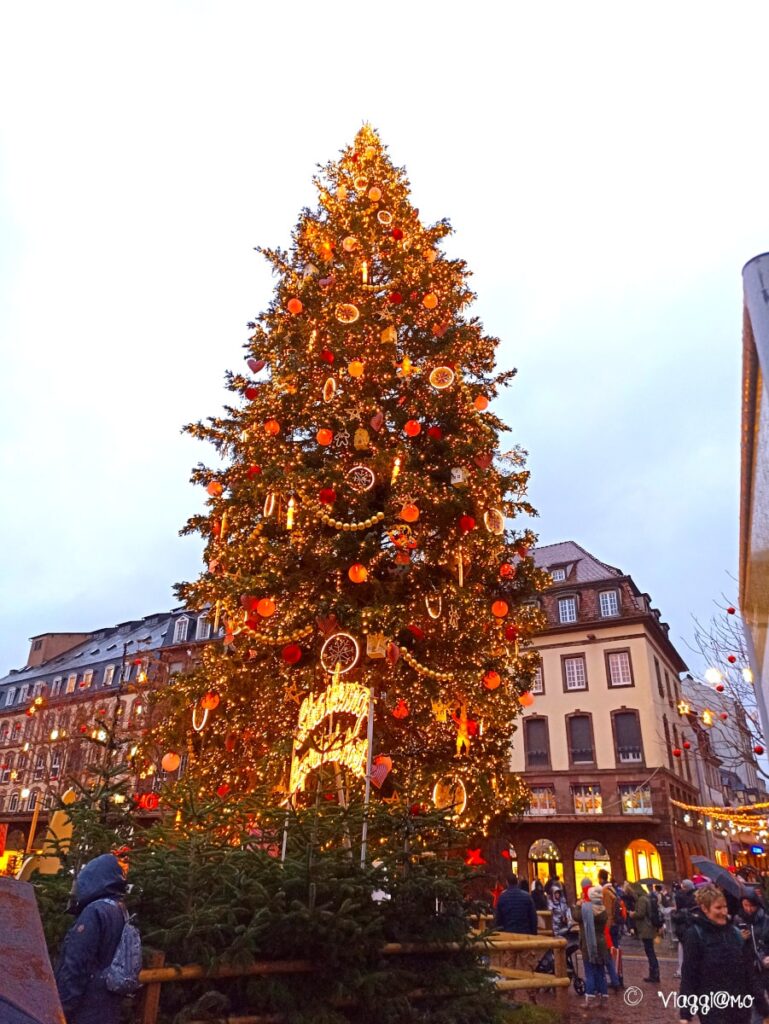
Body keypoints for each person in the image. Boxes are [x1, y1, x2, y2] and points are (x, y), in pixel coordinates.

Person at [55, 853, 130, 1024]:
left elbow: (76, 964)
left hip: (86, 1006)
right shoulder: (119, 909)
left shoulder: (94, 912)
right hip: (107, 1003)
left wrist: (62, 1010)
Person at [678, 883, 753, 1024]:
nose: (724, 912)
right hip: (713, 1006)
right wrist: (685, 1014)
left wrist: (761, 1004)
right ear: (705, 909)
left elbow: (747, 971)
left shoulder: (734, 932)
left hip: (739, 1004)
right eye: (718, 908)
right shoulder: (695, 935)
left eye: (725, 907)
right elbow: (689, 975)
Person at [735, 888, 769, 1019]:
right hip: (751, 969)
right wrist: (739, 939)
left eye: (752, 905)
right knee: (757, 1005)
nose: (748, 909)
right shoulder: (738, 921)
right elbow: (733, 947)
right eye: (746, 905)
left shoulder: (766, 920)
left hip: (766, 966)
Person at [573, 885, 609, 1007]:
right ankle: (603, 996)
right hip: (601, 943)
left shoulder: (586, 909)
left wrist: (578, 905)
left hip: (589, 943)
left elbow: (576, 916)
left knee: (589, 971)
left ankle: (589, 998)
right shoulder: (603, 909)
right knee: (600, 971)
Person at [631, 881, 660, 982]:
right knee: (650, 951)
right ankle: (654, 973)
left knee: (650, 951)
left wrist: (633, 914)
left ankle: (654, 974)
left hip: (646, 928)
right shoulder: (645, 897)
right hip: (648, 927)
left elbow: (641, 914)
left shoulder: (642, 899)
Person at [671, 878, 697, 978]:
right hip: (691, 925)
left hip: (683, 926)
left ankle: (682, 970)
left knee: (682, 948)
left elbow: (677, 910)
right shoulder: (695, 896)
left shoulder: (680, 896)